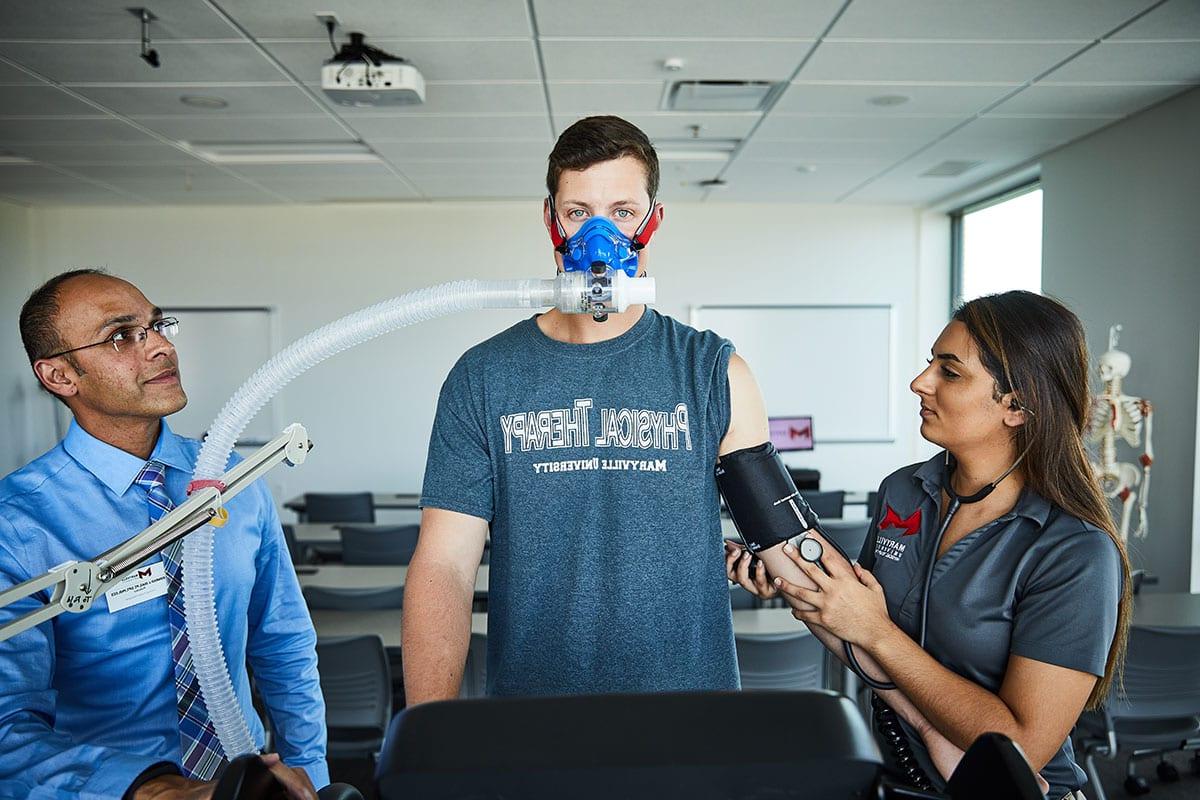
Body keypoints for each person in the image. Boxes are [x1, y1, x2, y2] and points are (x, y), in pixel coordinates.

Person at [402, 115, 771, 701]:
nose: (600, 238)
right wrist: (427, 733)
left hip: (690, 716)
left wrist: (777, 568)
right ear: (551, 218)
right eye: (578, 213)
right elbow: (444, 566)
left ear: (654, 220)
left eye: (623, 212)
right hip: (536, 715)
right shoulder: (483, 376)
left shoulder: (715, 372)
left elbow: (778, 537)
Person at [728, 290, 1130, 800]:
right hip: (897, 782)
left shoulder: (1074, 551)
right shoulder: (904, 490)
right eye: (929, 364)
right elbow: (858, 630)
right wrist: (811, 595)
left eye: (950, 372)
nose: (919, 383)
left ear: (1018, 405)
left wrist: (874, 631)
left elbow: (1021, 747)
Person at [0, 270, 327, 799]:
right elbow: (8, 724)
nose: (158, 347)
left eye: (156, 326)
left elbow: (283, 642)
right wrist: (153, 791)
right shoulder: (18, 522)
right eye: (121, 336)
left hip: (247, 783)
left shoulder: (233, 480)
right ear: (60, 376)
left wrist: (311, 770)